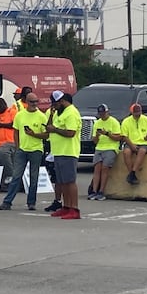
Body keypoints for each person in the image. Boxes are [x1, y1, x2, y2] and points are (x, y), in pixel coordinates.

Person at [0, 92, 48, 210]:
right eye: (32, 102)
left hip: (36, 150)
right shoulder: (20, 115)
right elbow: (16, 131)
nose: (34, 104)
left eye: (36, 102)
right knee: (16, 176)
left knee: (34, 177)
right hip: (22, 149)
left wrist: (34, 134)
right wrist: (17, 146)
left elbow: (46, 135)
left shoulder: (41, 116)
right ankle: (7, 202)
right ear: (27, 102)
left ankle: (31, 202)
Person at [45, 90, 82, 220]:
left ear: (62, 101)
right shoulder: (58, 113)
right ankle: (66, 207)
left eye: (55, 104)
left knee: (70, 181)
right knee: (62, 181)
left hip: (68, 151)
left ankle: (74, 208)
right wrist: (51, 114)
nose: (53, 106)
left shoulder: (71, 113)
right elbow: (48, 127)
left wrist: (55, 129)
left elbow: (70, 133)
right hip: (58, 151)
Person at [90, 104, 121, 200]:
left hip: (111, 147)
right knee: (97, 168)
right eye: (100, 114)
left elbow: (118, 137)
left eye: (104, 113)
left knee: (105, 168)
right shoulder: (97, 123)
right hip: (99, 147)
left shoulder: (114, 122)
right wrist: (97, 136)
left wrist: (107, 134)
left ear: (107, 112)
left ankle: (101, 191)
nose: (102, 115)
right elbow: (94, 141)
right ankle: (94, 191)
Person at [120, 103, 147, 185]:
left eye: (139, 112)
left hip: (144, 142)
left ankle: (133, 172)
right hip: (130, 142)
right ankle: (132, 175)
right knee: (126, 152)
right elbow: (124, 136)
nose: (138, 114)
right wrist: (132, 145)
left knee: (142, 151)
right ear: (132, 112)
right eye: (136, 113)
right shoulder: (126, 121)